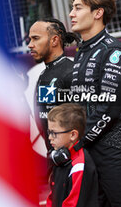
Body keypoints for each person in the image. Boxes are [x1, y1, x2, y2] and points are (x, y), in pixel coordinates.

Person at [69, 0, 121, 207]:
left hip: (115, 151)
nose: (72, 14)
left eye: (78, 8)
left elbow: (109, 108)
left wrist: (76, 141)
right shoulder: (83, 51)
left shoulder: (113, 52)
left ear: (98, 13)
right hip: (89, 152)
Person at [28, 18, 79, 151]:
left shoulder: (72, 72)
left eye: (35, 38)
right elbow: (44, 118)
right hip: (55, 159)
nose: (30, 45)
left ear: (54, 40)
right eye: (30, 39)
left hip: (72, 161)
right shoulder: (45, 74)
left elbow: (83, 121)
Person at [46, 103, 98, 207]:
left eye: (54, 133)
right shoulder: (60, 160)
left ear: (73, 135)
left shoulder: (79, 166)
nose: (50, 138)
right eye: (49, 132)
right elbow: (53, 196)